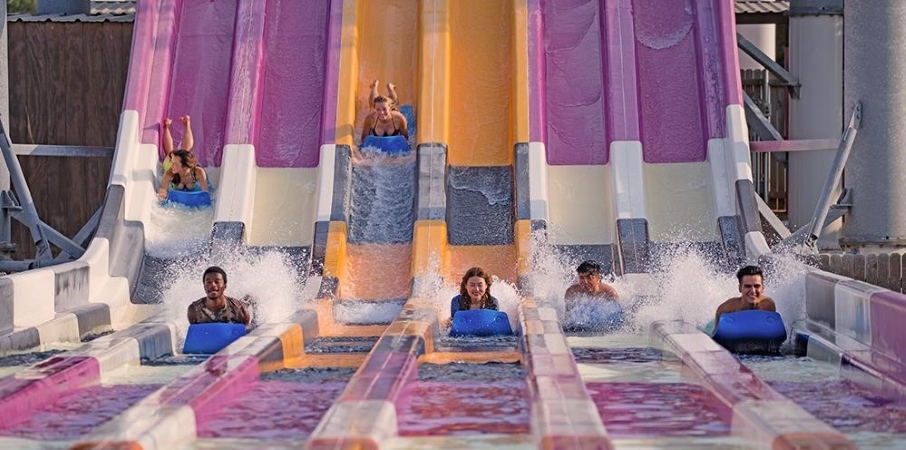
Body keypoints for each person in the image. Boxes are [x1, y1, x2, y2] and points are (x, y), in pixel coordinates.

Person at [714, 265, 776, 329]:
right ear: (740, 288)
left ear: (763, 288)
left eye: (757, 286)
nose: (753, 291)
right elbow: (715, 334)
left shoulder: (768, 305)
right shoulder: (726, 309)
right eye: (747, 286)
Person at [187, 266, 252, 327]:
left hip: (232, 307)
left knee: (246, 301)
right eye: (208, 282)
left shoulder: (241, 310)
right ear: (204, 286)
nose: (212, 285)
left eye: (217, 281)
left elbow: (245, 334)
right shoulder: (194, 310)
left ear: (225, 286)